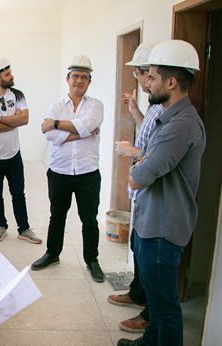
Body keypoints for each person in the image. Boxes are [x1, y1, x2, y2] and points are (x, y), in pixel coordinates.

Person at [119, 40, 205, 346]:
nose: (146, 83)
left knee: (165, 308)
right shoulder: (166, 118)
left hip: (162, 230)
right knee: (155, 303)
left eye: (151, 77)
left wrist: (137, 162)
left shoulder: (181, 125)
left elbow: (140, 175)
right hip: (151, 222)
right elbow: (147, 164)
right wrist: (143, 161)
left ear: (171, 82)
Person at [31, 55, 105, 283]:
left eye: (84, 77)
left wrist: (56, 124)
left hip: (88, 173)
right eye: (75, 76)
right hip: (60, 172)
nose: (79, 81)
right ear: (68, 78)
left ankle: (92, 260)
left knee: (89, 219)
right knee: (57, 216)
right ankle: (53, 254)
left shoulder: (95, 105)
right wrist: (80, 132)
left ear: (89, 81)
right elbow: (51, 135)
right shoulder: (56, 106)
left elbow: (86, 125)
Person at [109, 41, 163, 334]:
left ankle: (147, 311)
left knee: (147, 254)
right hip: (142, 192)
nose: (142, 81)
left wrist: (133, 152)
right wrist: (134, 111)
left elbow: (155, 152)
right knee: (137, 247)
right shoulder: (154, 106)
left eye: (143, 75)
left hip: (150, 191)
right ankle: (137, 293)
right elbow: (148, 133)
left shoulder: (174, 114)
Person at [0, 56, 41, 244]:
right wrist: (11, 121)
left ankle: (24, 228)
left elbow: (25, 119)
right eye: (7, 74)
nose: (11, 76)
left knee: (18, 193)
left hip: (14, 155)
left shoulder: (18, 95)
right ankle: (1, 227)